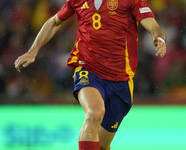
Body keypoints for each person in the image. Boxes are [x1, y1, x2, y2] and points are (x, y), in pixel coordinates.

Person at [14, 0, 166, 149]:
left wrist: (158, 37)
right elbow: (54, 22)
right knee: (94, 113)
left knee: (102, 145)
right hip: (88, 69)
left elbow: (152, 25)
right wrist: (32, 51)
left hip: (121, 80)